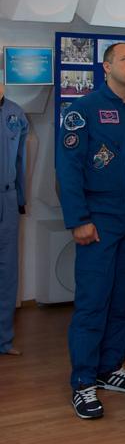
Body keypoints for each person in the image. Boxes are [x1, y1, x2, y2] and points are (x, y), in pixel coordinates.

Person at [56, 41, 125, 418]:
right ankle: (83, 381)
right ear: (105, 67)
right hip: (99, 217)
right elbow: (67, 168)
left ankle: (111, 368)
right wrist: (78, 219)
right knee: (93, 301)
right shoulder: (83, 110)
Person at [0, 78, 28, 357]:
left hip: (7, 198)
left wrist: (21, 198)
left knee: (7, 270)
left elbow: (21, 159)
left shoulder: (15, 114)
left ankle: (3, 339)